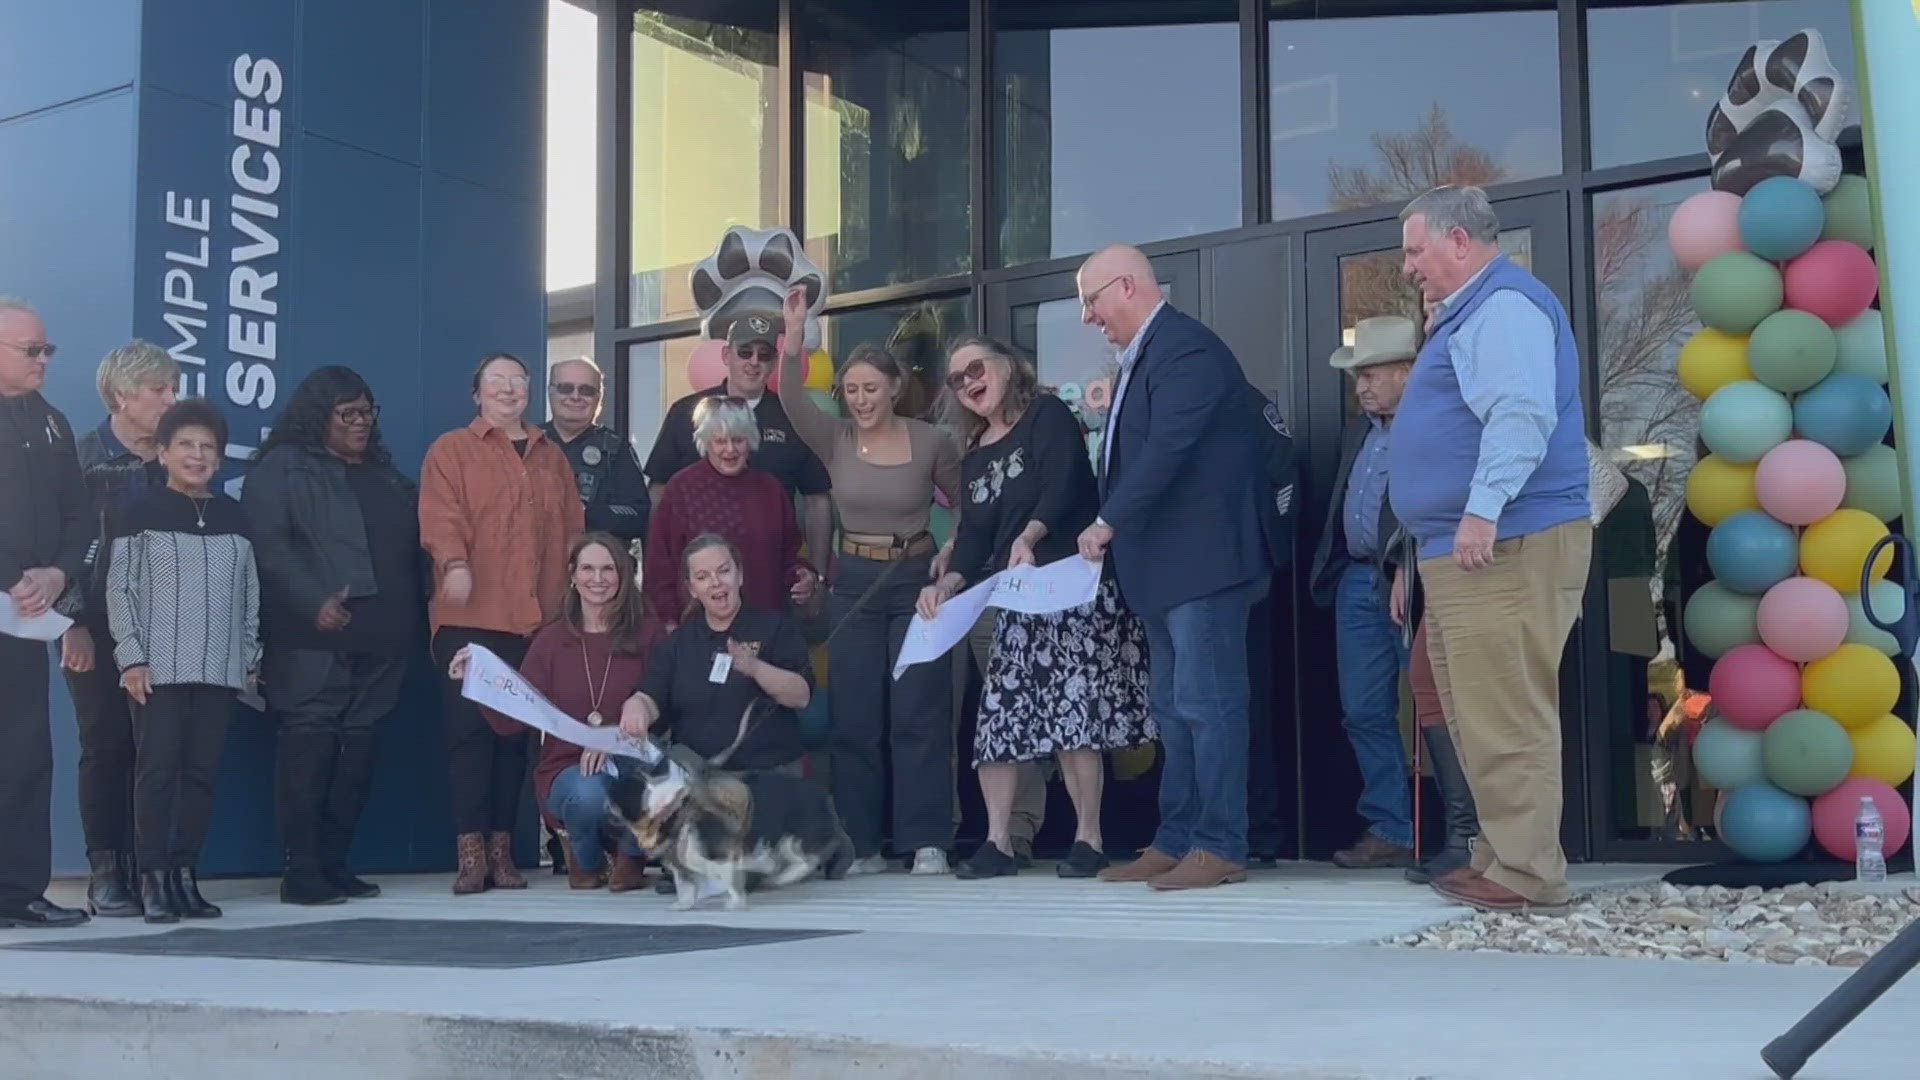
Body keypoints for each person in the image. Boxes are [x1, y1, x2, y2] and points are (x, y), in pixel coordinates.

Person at [1390, 185, 1591, 913]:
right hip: (1464, 547)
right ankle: (1501, 857)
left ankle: (1530, 874)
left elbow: (1520, 411)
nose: (1408, 265)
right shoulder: (1468, 313)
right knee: (1476, 710)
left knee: (1506, 712)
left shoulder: (1503, 305)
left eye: (1416, 249)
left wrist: (1481, 511)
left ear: (1458, 242)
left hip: (1504, 540)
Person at [1072, 245, 1273, 891]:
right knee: (1174, 706)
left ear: (1126, 286)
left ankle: (1221, 843)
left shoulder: (1184, 348)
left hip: (1204, 567)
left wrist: (1108, 522)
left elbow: (1168, 450)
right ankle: (1179, 838)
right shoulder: (1147, 357)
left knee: (1208, 704)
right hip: (1166, 573)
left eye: (1091, 301)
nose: (1087, 318)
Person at [922, 334, 1152, 880]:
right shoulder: (975, 453)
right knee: (998, 724)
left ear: (1006, 366)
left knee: (1074, 721)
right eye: (956, 379)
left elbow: (1065, 484)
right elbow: (976, 537)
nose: (968, 383)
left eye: (975, 368)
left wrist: (1030, 536)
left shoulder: (1046, 414)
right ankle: (999, 843)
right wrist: (947, 583)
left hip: (1067, 590)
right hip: (1014, 599)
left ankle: (1088, 839)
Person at [776, 290, 963, 876]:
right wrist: (795, 332)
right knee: (855, 716)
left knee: (918, 710)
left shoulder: (930, 440)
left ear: (893, 387)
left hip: (914, 579)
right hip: (853, 580)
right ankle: (864, 841)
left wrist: (954, 550)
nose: (860, 399)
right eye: (851, 390)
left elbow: (965, 509)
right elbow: (786, 397)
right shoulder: (833, 438)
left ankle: (926, 837)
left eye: (870, 388)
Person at [244, 366, 425, 906]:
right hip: (311, 640)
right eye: (348, 413)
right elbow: (269, 548)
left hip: (384, 639)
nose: (361, 423)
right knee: (311, 750)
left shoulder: (387, 475)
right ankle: (301, 870)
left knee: (359, 755)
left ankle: (335, 861)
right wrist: (312, 600)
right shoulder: (281, 469)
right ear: (317, 415)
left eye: (367, 412)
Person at [420, 351, 585, 894]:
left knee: (514, 738)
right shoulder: (452, 450)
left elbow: (570, 533)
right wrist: (457, 565)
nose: (509, 390)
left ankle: (504, 851)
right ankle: (470, 853)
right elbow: (440, 516)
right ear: (477, 394)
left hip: (532, 621)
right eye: (497, 381)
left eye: (518, 381)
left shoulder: (551, 457)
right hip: (469, 617)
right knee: (470, 736)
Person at [106, 399, 260, 924]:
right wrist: (132, 658)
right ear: (165, 453)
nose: (198, 456)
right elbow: (120, 589)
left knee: (200, 776)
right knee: (156, 774)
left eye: (208, 448)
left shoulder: (233, 516)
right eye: (187, 446)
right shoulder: (139, 511)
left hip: (219, 671)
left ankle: (185, 874)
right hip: (158, 672)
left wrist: (248, 657)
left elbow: (249, 594)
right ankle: (152, 879)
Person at [448, 533, 657, 891]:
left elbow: (663, 699)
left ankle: (631, 855)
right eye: (588, 568)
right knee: (588, 793)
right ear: (573, 576)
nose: (598, 578)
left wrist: (614, 737)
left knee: (662, 774)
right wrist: (476, 683)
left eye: (609, 569)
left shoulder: (646, 632)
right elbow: (514, 718)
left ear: (623, 576)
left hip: (631, 758)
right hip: (566, 769)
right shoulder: (551, 640)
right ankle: (585, 860)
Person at [65, 339, 179, 917]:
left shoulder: (175, 460)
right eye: (159, 390)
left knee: (156, 751)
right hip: (97, 628)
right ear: (121, 396)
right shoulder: (81, 457)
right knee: (105, 746)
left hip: (165, 631)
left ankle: (152, 871)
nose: (170, 399)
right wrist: (70, 626)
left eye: (173, 389)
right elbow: (60, 548)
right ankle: (105, 870)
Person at [1308, 316, 1417, 870]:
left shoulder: (1434, 426)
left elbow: (1436, 501)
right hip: (1356, 579)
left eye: (1370, 374)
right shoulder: (1362, 432)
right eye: (1357, 378)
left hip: (1412, 579)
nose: (1362, 387)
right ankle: (1392, 827)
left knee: (1436, 708)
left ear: (1407, 371)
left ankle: (1463, 833)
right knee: (1364, 710)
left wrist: (1407, 564)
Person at [0, 298, 91, 929]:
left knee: (27, 752)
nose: (42, 361)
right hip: (9, 594)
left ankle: (18, 890)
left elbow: (81, 516)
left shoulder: (52, 422)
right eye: (30, 351)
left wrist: (57, 574)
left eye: (45, 350)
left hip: (26, 617)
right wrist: (10, 578)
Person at [618, 534, 812, 778]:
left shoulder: (776, 628)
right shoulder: (679, 643)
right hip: (700, 783)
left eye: (723, 571)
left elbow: (801, 696)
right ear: (692, 590)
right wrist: (637, 707)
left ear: (739, 575)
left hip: (769, 776)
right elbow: (650, 696)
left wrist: (755, 668)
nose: (716, 582)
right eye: (702, 577)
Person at [644, 315, 832, 563]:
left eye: (764, 355)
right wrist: (654, 565)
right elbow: (658, 491)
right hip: (695, 571)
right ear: (726, 355)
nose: (754, 362)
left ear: (775, 362)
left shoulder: (793, 418)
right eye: (745, 352)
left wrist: (818, 574)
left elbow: (817, 500)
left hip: (770, 568)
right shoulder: (686, 412)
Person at [644, 396, 817, 630]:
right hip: (698, 630)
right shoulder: (682, 488)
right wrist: (669, 621)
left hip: (764, 626)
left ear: (751, 440)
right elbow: (660, 565)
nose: (730, 449)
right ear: (706, 442)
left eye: (738, 440)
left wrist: (802, 575)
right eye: (720, 441)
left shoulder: (769, 489)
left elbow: (789, 554)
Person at [542, 356, 650, 552]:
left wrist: (584, 513)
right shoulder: (528, 443)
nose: (575, 397)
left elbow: (639, 517)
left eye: (587, 391)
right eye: (566, 388)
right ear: (550, 392)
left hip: (594, 573)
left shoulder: (615, 450)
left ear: (599, 398)